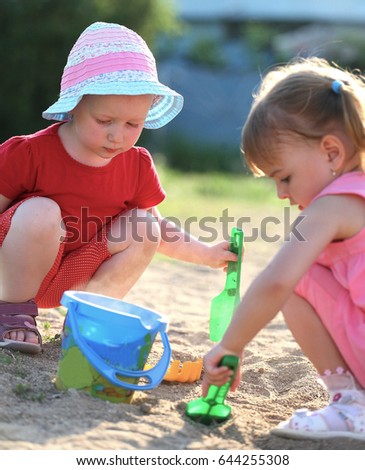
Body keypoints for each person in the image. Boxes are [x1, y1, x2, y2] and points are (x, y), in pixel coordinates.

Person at [0, 22, 237, 355]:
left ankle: (87, 319)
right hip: (13, 270)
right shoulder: (28, 153)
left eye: (132, 124)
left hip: (74, 275)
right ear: (75, 105)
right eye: (104, 121)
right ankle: (11, 314)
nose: (118, 136)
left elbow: (157, 230)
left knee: (144, 225)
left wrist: (207, 254)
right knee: (41, 211)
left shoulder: (136, 164)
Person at [202, 57, 365, 441]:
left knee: (297, 278)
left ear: (331, 152)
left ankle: (350, 404)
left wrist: (231, 345)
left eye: (284, 177)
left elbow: (275, 282)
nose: (282, 194)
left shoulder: (332, 205)